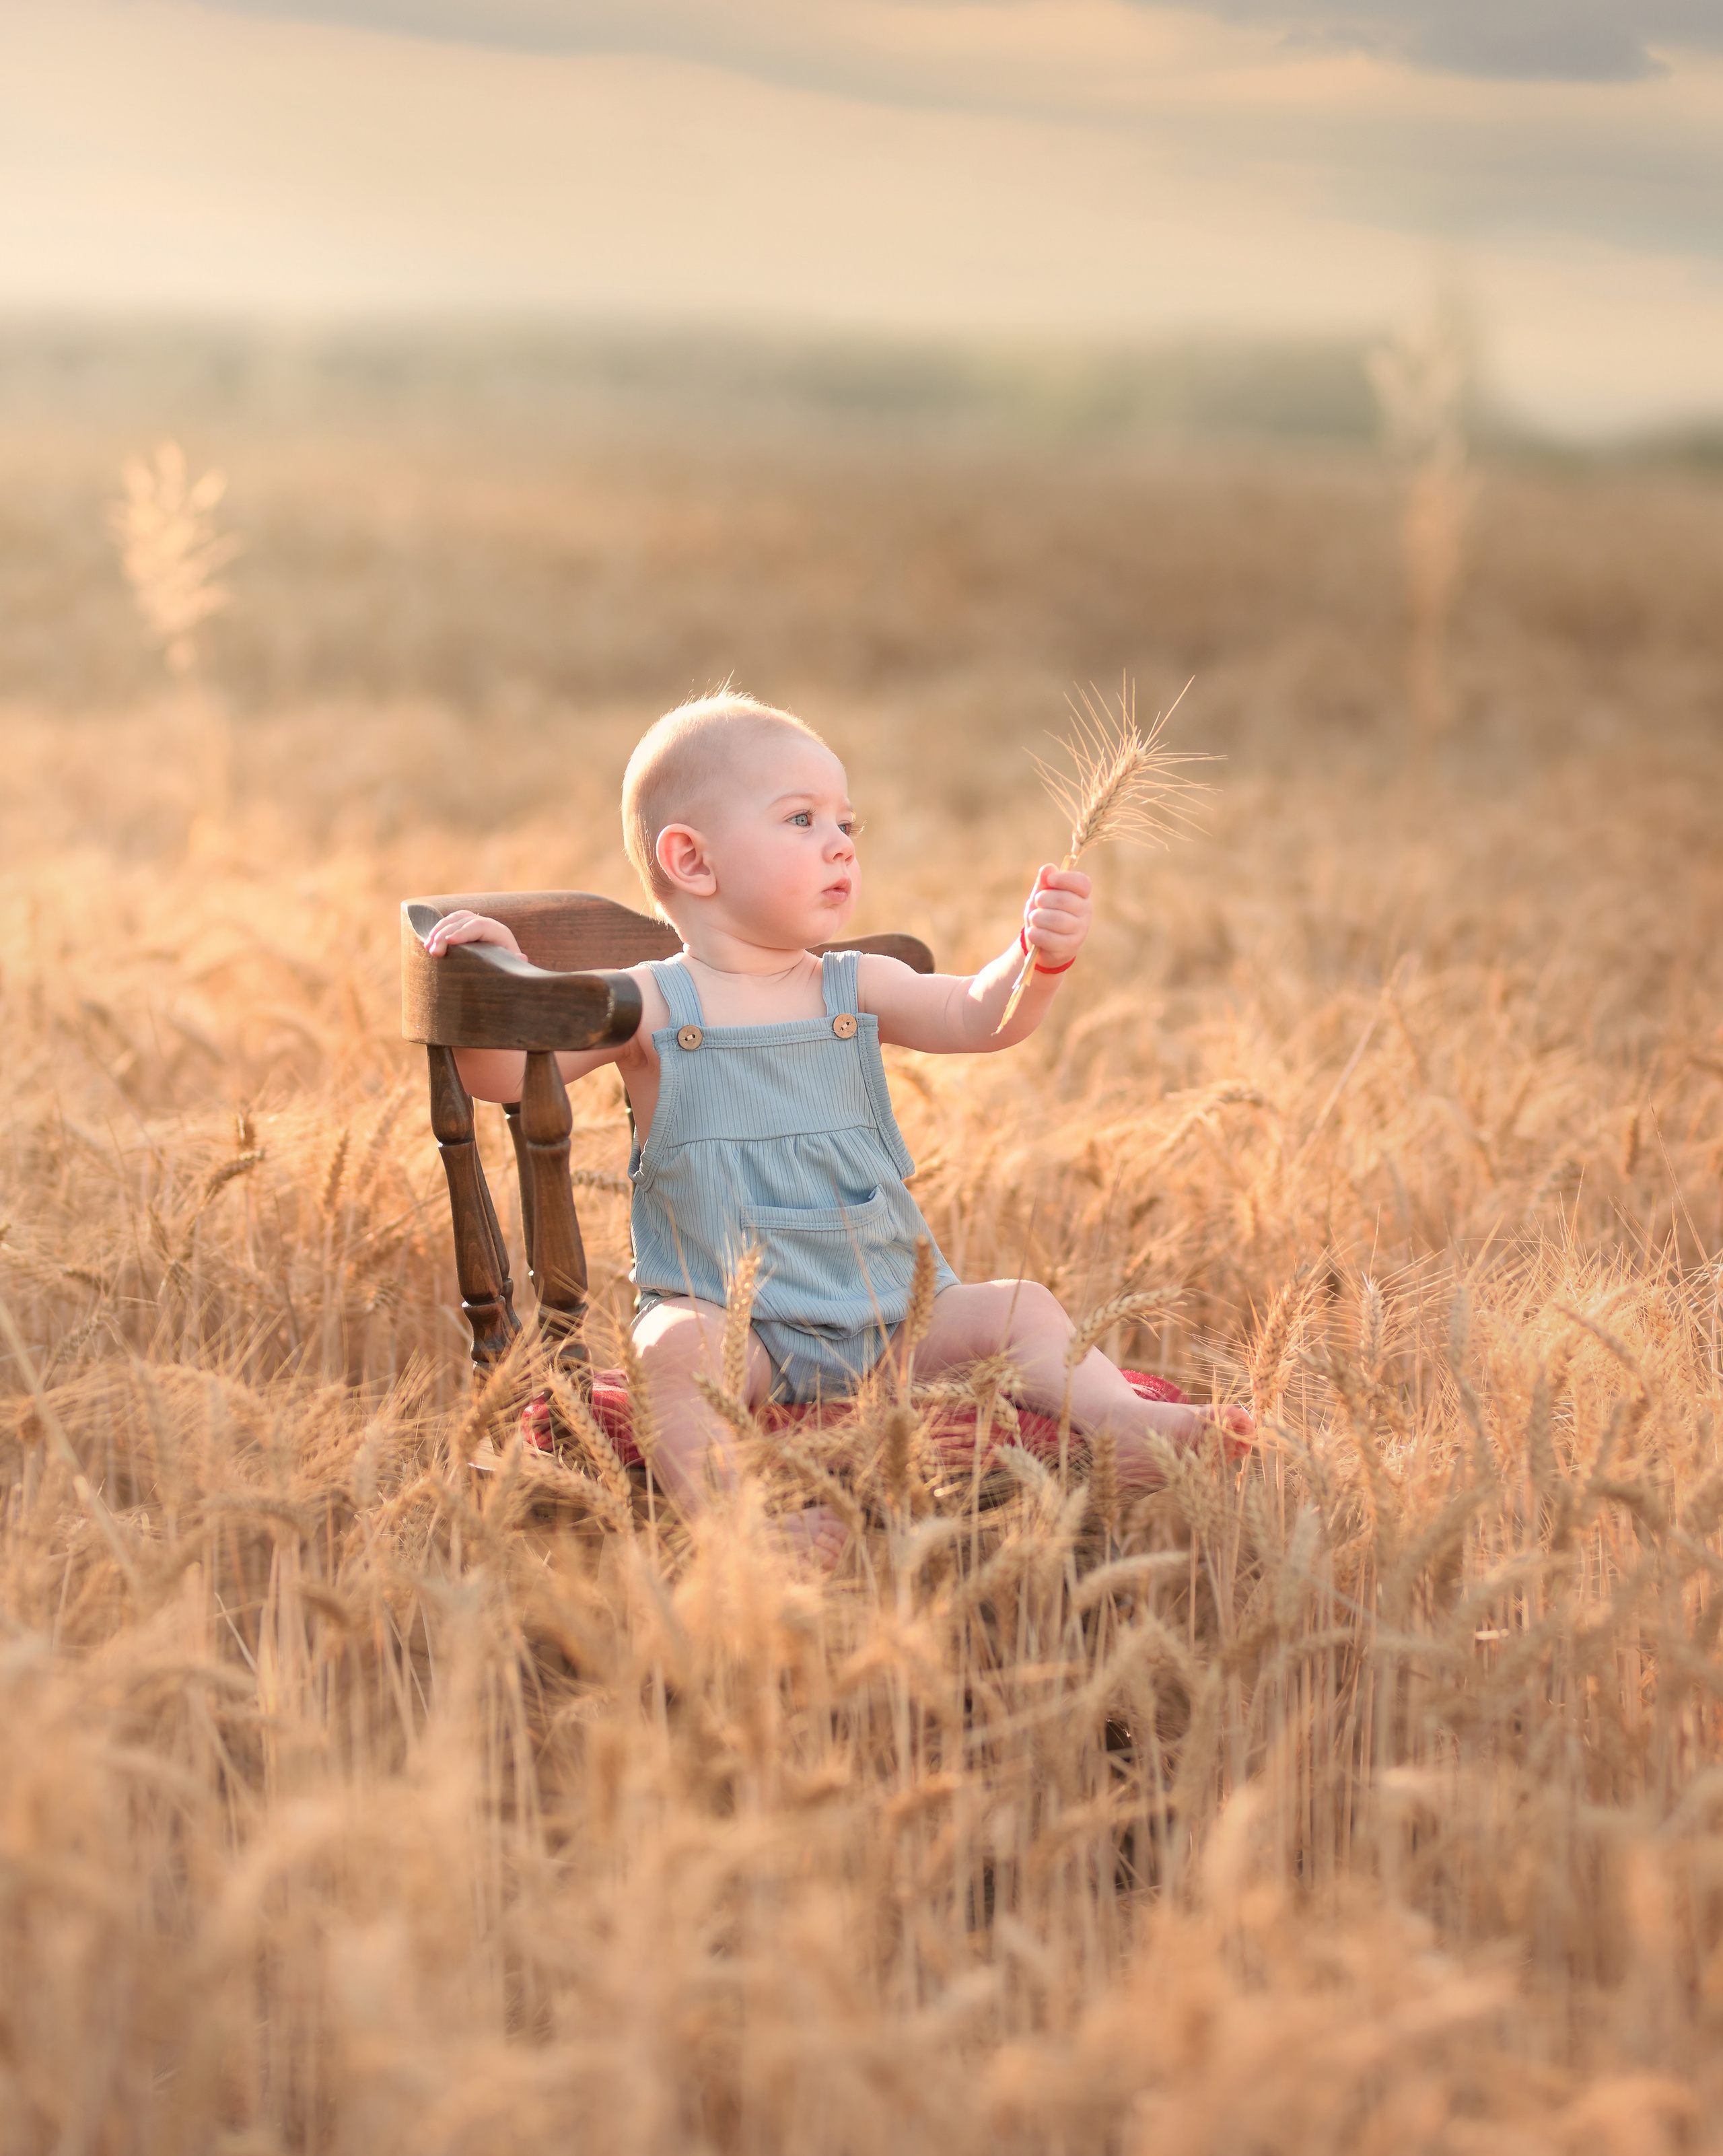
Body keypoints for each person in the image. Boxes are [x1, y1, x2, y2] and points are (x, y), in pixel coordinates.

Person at [427, 692, 1252, 1562]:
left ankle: (1123, 1423)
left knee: (1021, 1308)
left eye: (848, 823)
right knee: (670, 1352)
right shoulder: (652, 1004)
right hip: (742, 1334)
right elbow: (500, 1080)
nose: (842, 843)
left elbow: (981, 1015)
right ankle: (743, 1526)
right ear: (692, 861)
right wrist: (503, 981)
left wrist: (1036, 960)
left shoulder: (853, 986)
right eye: (802, 819)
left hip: (893, 1323)